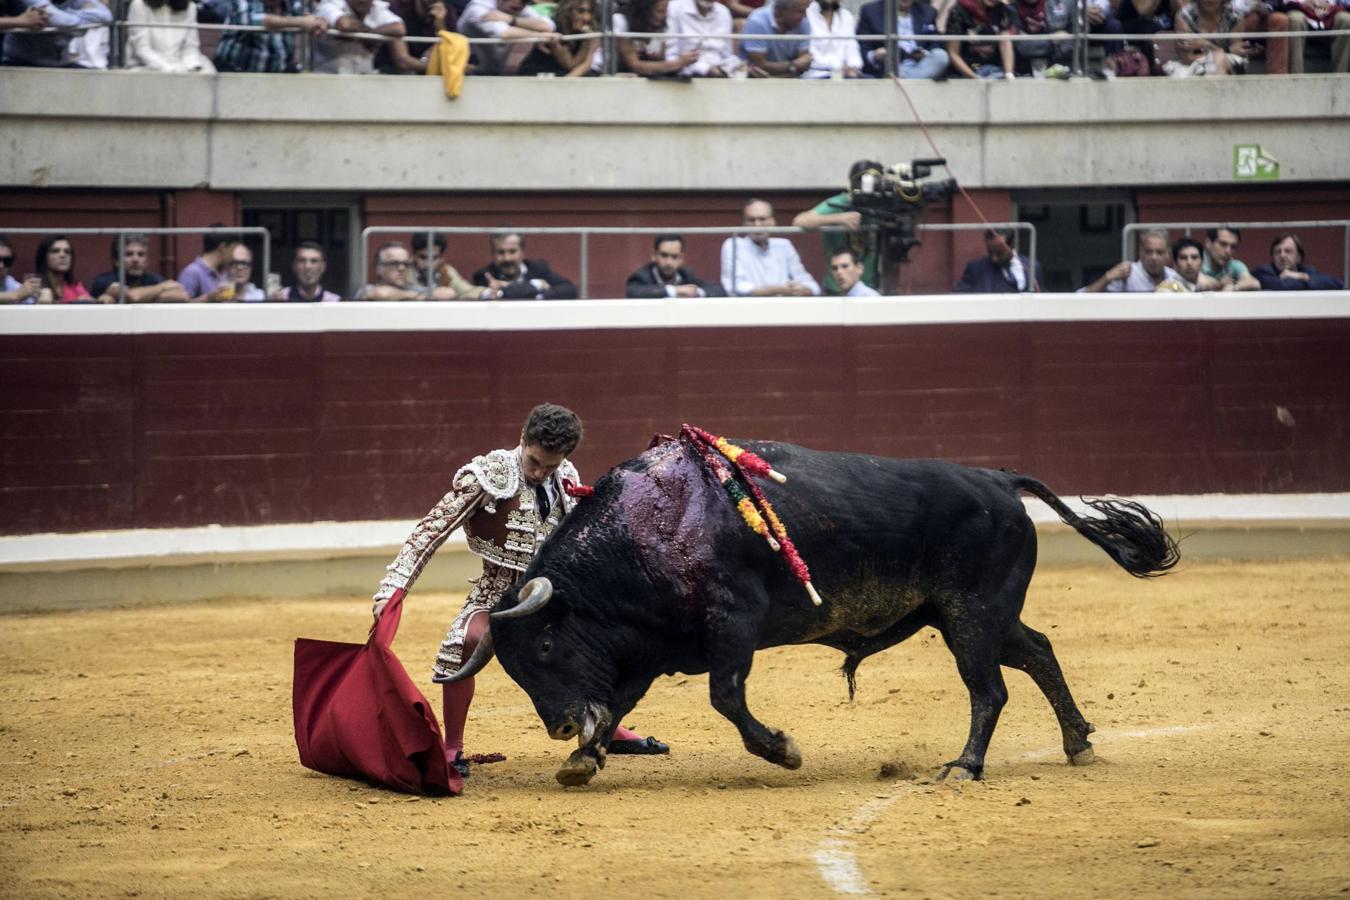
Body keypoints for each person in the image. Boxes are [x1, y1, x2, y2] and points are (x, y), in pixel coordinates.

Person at [369, 403, 670, 778]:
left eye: (551, 466)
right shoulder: (488, 476)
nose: (541, 472)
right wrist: (393, 587)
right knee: (467, 640)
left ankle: (608, 728)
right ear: (522, 440)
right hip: (496, 596)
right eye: (535, 462)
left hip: (555, 603)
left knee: (607, 645)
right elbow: (431, 531)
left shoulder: (566, 476)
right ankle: (453, 746)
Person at [792, 159, 878, 295]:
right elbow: (800, 221)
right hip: (837, 287)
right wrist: (839, 218)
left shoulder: (882, 204)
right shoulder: (839, 203)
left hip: (871, 287)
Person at [720, 199, 821, 297]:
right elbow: (734, 288)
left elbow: (812, 286)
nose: (757, 225)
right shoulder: (733, 245)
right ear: (744, 223)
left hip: (784, 308)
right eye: (751, 220)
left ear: (772, 222)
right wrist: (779, 289)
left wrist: (803, 290)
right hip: (748, 308)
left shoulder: (784, 245)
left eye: (762, 219)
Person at [214, 0, 328, 73]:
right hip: (235, 74)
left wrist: (318, 22)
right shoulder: (241, 2)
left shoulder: (291, 4)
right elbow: (252, 19)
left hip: (276, 77)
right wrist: (300, 22)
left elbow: (311, 18)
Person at [592, 0, 699, 76]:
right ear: (645, 11)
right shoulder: (620, 21)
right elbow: (635, 65)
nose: (664, 16)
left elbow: (659, 64)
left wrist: (682, 63)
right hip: (601, 75)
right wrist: (678, 63)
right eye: (660, 11)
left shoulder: (661, 26)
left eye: (666, 11)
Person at [314, 0, 424, 74]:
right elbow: (345, 24)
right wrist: (370, 37)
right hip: (329, 77)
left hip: (364, 78)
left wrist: (367, 35)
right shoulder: (329, 4)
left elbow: (399, 28)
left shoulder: (377, 8)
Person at [458, 0, 560, 75]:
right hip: (466, 70)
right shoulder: (479, 7)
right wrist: (540, 36)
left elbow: (548, 26)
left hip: (494, 71)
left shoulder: (521, 8)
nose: (521, 3)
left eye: (525, 1)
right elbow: (504, 33)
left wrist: (512, 20)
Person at [472, 230, 578, 300]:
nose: (507, 258)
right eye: (501, 252)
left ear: (522, 253)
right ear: (492, 255)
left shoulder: (538, 269)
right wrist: (535, 285)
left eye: (512, 251)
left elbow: (569, 290)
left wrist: (538, 296)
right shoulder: (485, 275)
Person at [857, 0, 949, 79]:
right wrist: (875, 55)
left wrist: (924, 54)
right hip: (891, 65)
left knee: (941, 55)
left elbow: (936, 43)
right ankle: (912, 81)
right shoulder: (870, 11)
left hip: (922, 65)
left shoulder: (928, 12)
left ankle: (905, 80)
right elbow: (862, 48)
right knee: (892, 70)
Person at [2, 0, 110, 67]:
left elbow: (105, 16)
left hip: (60, 64)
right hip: (20, 63)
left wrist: (67, 16)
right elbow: (56, 20)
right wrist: (21, 20)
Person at [90, 235, 189, 303]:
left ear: (146, 260)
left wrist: (143, 296)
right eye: (129, 254)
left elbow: (183, 296)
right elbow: (133, 296)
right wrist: (162, 288)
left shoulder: (153, 279)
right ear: (116, 260)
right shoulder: (103, 281)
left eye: (141, 254)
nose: (136, 259)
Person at [1166, 0, 1252, 76]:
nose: (1209, 0)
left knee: (1220, 59)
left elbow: (1237, 53)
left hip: (1226, 62)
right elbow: (1186, 59)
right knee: (1218, 59)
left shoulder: (1235, 17)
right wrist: (1224, 51)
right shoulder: (1185, 16)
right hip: (1190, 66)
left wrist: (1206, 44)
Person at [625, 233, 725, 298]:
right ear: (654, 256)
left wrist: (696, 292)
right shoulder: (642, 276)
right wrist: (675, 290)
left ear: (681, 259)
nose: (669, 262)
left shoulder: (686, 275)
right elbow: (633, 292)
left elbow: (720, 291)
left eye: (674, 257)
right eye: (664, 255)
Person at [1079, 229, 1180, 292]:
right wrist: (1108, 277)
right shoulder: (1128, 274)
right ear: (1140, 253)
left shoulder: (1173, 277)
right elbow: (1082, 297)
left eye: (1159, 252)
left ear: (1168, 254)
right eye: (1148, 252)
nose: (1154, 257)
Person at [125, 0, 214, 71]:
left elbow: (190, 47)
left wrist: (192, 66)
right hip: (147, 67)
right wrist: (170, 69)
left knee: (206, 72)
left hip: (181, 65)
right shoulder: (139, 5)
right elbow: (142, 49)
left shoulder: (190, 7)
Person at [517, 0, 599, 76]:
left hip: (561, 74)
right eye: (580, 11)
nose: (587, 17)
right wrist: (587, 41)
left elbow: (586, 64)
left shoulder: (588, 31)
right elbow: (570, 64)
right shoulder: (555, 28)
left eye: (590, 12)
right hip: (538, 72)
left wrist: (587, 39)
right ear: (568, 11)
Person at [663, 0, 742, 76]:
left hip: (721, 76)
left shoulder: (724, 12)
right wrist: (705, 69)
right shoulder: (674, 8)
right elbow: (670, 57)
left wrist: (738, 65)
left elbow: (726, 55)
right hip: (685, 78)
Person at [953, 228, 1042, 293]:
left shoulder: (1033, 267)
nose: (994, 258)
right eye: (990, 252)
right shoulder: (976, 269)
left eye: (999, 253)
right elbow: (958, 297)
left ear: (1012, 245)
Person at [945, 0, 1016, 79]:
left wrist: (1009, 73)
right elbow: (953, 53)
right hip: (965, 69)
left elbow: (1005, 43)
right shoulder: (958, 10)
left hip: (993, 68)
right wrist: (975, 78)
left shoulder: (1001, 9)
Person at [740, 0, 813, 77]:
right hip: (755, 80)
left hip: (789, 78)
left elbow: (804, 62)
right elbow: (759, 65)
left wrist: (794, 66)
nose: (805, 15)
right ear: (781, 11)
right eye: (800, 11)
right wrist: (792, 65)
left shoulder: (803, 21)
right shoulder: (757, 21)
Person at [1251, 233, 1345, 291]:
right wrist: (1309, 283)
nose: (1282, 255)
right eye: (1277, 252)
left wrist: (1301, 276)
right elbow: (1282, 287)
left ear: (1299, 257)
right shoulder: (1263, 272)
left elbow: (1336, 283)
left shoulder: (1307, 272)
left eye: (1288, 251)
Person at [1284, 0, 1350, 73]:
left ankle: (1340, 78)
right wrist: (1306, 2)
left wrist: (1327, 3)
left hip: (1330, 8)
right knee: (1296, 19)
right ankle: (1296, 77)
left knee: (1346, 20)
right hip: (1299, 7)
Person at [355, 241, 437, 300]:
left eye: (406, 264)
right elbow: (381, 293)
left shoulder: (414, 289)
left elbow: (447, 293)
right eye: (394, 263)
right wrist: (417, 296)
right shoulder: (367, 290)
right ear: (379, 268)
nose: (402, 268)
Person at [177, 229, 241, 302]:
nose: (234, 256)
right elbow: (181, 308)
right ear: (222, 248)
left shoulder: (223, 273)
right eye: (233, 249)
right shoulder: (191, 273)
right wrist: (208, 298)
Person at [804, 0, 863, 77]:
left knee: (871, 82)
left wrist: (853, 66)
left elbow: (852, 48)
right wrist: (839, 68)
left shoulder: (846, 16)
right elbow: (810, 54)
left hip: (845, 74)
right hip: (816, 74)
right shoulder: (807, 14)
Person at [410, 232, 478, 299]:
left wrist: (487, 293)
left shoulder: (446, 271)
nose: (428, 263)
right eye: (423, 257)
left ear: (441, 258)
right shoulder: (404, 270)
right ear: (414, 256)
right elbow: (399, 292)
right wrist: (429, 294)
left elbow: (466, 290)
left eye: (434, 258)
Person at [34, 235, 96, 303]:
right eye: (55, 251)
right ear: (44, 257)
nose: (63, 255)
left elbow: (93, 306)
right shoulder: (34, 286)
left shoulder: (75, 286)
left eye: (67, 251)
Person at [274, 242, 342, 301]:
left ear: (323, 267)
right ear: (294, 266)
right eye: (302, 261)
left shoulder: (334, 302)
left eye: (314, 261)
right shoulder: (282, 298)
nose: (307, 266)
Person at [1201, 225, 1260, 291]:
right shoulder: (1194, 260)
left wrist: (1233, 287)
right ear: (1208, 243)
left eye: (1233, 247)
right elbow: (1201, 283)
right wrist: (1219, 284)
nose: (1228, 251)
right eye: (1223, 244)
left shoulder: (1234, 265)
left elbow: (1255, 283)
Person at [0, 235, 44, 304]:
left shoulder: (13, 285)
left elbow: (30, 305)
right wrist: (15, 296)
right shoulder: (17, 293)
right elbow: (18, 295)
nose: (1, 266)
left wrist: (39, 300)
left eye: (7, 261)